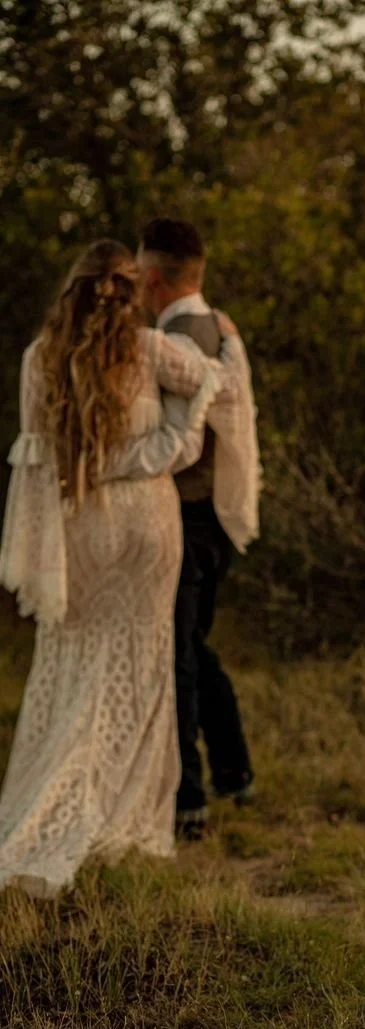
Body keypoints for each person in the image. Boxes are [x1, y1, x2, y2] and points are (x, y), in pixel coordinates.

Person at [0, 239, 237, 898]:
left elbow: (36, 458)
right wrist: (166, 445)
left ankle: (55, 799)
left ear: (72, 290)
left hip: (81, 523)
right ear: (131, 293)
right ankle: (125, 807)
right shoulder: (150, 350)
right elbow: (212, 384)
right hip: (147, 523)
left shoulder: (37, 359)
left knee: (74, 659)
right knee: (141, 663)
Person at [137, 218, 260, 842]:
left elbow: (180, 442)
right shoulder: (217, 328)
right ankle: (234, 771)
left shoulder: (176, 341)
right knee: (194, 644)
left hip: (187, 514)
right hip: (219, 515)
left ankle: (187, 799)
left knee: (177, 653)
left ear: (152, 278)